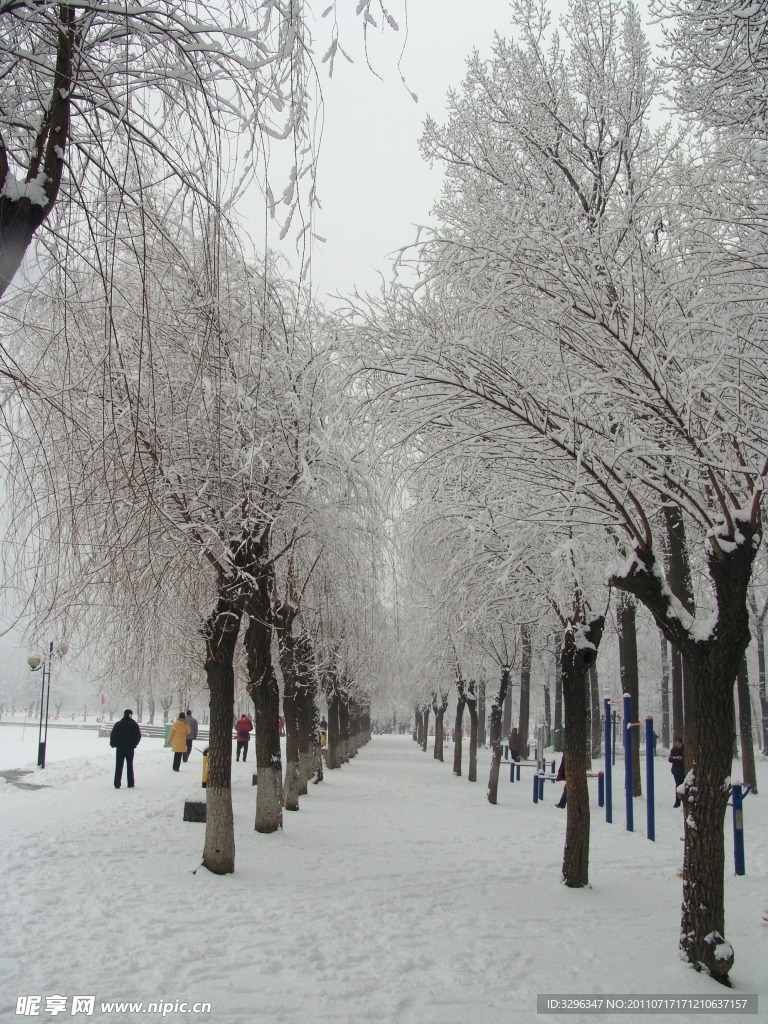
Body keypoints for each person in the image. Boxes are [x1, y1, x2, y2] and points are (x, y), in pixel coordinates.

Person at [110, 709, 142, 789]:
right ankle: (130, 783)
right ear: (131, 715)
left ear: (124, 715)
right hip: (130, 748)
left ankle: (117, 783)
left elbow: (113, 735)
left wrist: (113, 744)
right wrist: (134, 744)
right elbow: (138, 736)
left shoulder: (118, 724)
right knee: (129, 765)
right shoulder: (134, 724)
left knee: (119, 765)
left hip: (120, 748)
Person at [668, 737, 686, 807]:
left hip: (683, 770)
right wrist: (675, 758)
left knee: (683, 785)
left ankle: (683, 801)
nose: (677, 745)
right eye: (676, 744)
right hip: (676, 771)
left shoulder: (684, 749)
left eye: (679, 744)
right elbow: (670, 759)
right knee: (678, 785)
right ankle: (677, 802)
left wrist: (681, 759)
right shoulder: (673, 750)